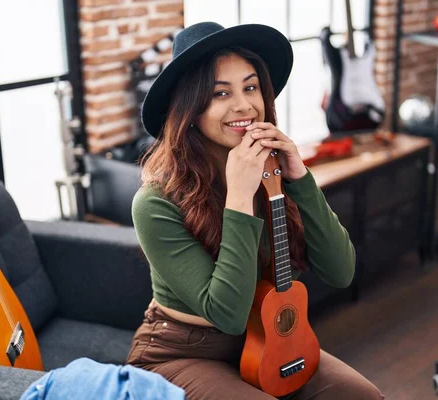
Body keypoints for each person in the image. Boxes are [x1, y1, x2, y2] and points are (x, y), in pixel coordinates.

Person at [125, 21, 384, 400]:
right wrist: (240, 198)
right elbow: (228, 315)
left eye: (250, 87)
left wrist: (302, 180)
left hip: (269, 338)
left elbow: (342, 272)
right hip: (184, 351)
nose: (243, 105)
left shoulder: (275, 171)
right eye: (220, 93)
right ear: (190, 109)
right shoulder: (154, 202)